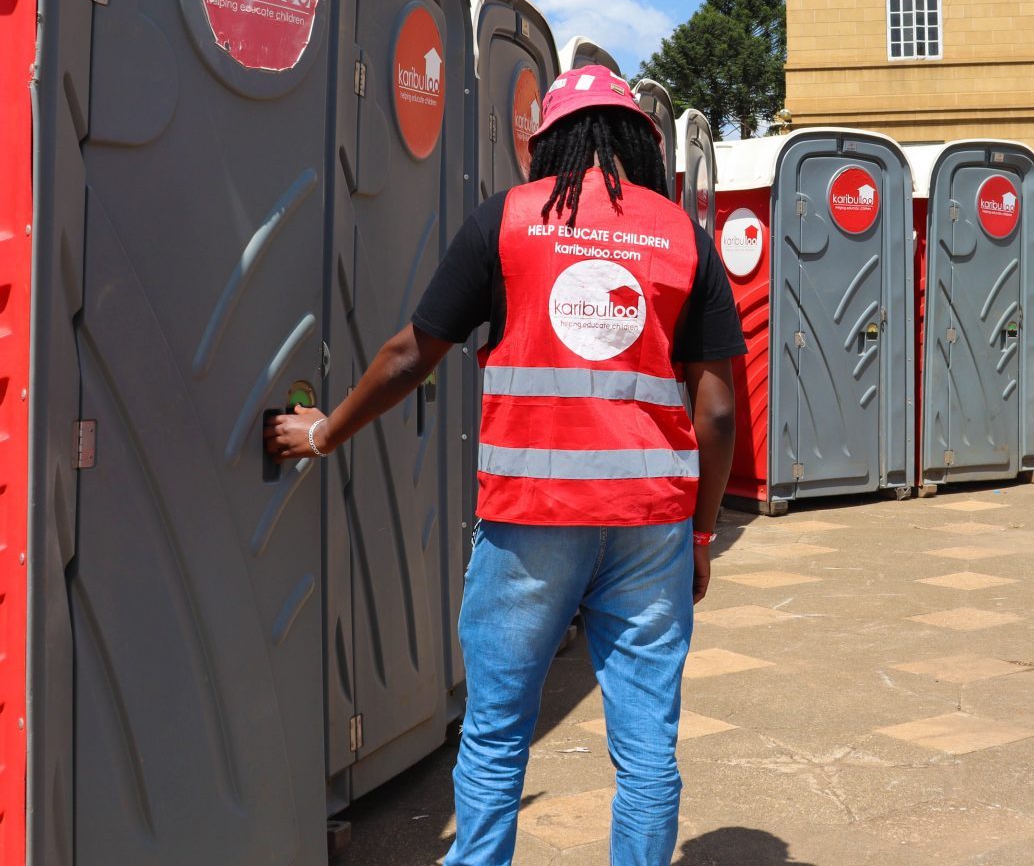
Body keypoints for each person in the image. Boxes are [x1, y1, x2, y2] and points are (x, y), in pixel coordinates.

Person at [267, 67, 745, 866]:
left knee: (495, 735)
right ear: (641, 143)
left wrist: (325, 433)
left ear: (549, 141)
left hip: (531, 520)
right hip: (649, 523)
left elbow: (406, 355)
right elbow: (720, 411)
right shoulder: (680, 237)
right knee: (647, 750)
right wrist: (700, 537)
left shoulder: (510, 221)